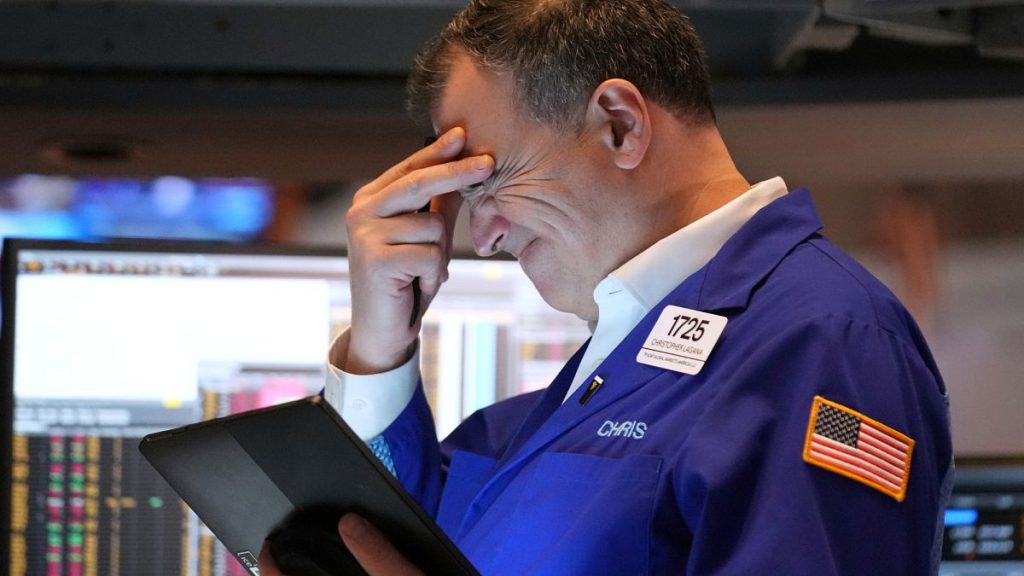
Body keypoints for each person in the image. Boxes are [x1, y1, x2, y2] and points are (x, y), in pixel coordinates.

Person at [262, 0, 953, 574]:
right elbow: (401, 542)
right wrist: (381, 346)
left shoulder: (826, 343)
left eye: (489, 181)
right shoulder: (575, 395)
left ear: (620, 125)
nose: (485, 236)